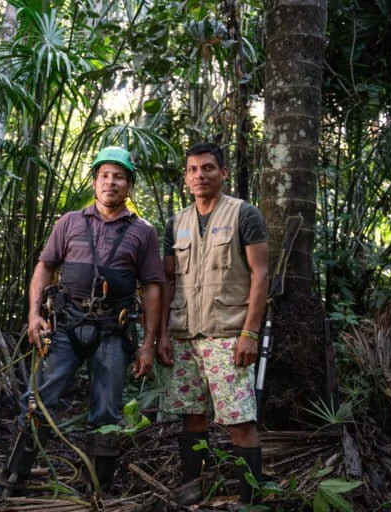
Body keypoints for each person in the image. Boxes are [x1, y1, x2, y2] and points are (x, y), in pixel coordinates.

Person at [0, 146, 164, 500]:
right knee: (38, 401)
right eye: (104, 175)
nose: (111, 182)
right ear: (94, 181)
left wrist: (148, 343)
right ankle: (10, 480)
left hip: (114, 329)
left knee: (107, 409)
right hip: (65, 325)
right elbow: (44, 267)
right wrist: (34, 315)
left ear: (129, 185)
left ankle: (99, 489)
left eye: (119, 176)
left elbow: (153, 287)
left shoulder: (143, 231)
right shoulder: (70, 222)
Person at [156, 142, 268, 504]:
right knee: (192, 417)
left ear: (223, 172)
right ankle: (196, 493)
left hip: (228, 335)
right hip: (185, 335)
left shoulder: (243, 214)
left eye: (207, 168)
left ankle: (250, 499)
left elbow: (260, 275)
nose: (199, 175)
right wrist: (161, 335)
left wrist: (250, 334)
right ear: (186, 177)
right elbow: (168, 281)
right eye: (193, 169)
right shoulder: (177, 223)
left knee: (240, 421)